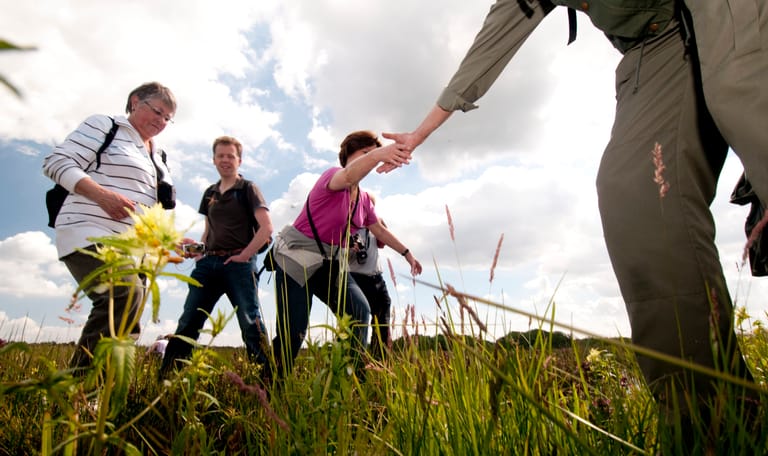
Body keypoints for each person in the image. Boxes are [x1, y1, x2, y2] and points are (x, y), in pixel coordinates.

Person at [383, 0, 765, 450]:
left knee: (740, 97)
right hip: (659, 45)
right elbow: (490, 45)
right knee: (632, 194)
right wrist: (421, 133)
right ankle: (721, 428)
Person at [42, 81, 176, 372]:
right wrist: (102, 195)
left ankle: (107, 399)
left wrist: (171, 243)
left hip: (135, 249)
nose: (161, 121)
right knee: (123, 293)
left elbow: (150, 211)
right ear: (134, 101)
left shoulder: (158, 156)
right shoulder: (107, 126)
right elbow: (57, 161)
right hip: (89, 228)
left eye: (168, 118)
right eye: (157, 111)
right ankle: (78, 393)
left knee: (129, 318)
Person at [270, 130, 421, 379]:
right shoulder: (333, 177)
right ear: (348, 156)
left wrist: (407, 253)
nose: (371, 158)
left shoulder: (363, 199)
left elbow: (378, 229)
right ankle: (270, 385)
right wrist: (379, 154)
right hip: (296, 260)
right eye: (365, 153)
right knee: (293, 331)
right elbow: (350, 174)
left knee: (360, 311)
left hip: (330, 264)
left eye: (373, 153)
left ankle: (352, 378)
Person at [159, 136, 273, 378]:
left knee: (250, 323)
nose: (225, 160)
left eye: (230, 156)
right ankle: (168, 379)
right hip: (208, 264)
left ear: (239, 160)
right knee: (188, 322)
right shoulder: (209, 192)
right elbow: (209, 231)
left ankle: (267, 383)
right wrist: (196, 250)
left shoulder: (248, 189)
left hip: (239, 266)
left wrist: (244, 256)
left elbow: (266, 229)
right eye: (220, 155)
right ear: (214, 160)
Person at [348, 202, 394, 360]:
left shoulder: (375, 225)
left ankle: (381, 363)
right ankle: (356, 364)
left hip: (377, 278)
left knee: (383, 323)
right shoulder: (349, 226)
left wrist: (383, 227)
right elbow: (341, 256)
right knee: (357, 323)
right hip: (356, 278)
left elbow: (382, 243)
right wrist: (350, 248)